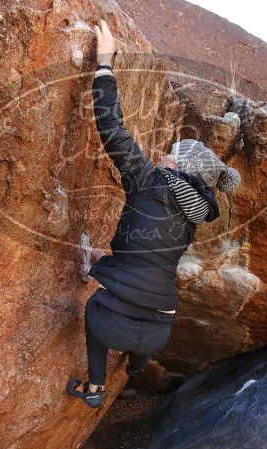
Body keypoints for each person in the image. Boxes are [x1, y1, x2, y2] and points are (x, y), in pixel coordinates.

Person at [67, 20, 241, 408]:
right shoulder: (195, 215)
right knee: (140, 307)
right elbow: (147, 258)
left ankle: (94, 389)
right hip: (162, 326)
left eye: (172, 152)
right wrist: (108, 262)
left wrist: (105, 63)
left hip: (114, 323)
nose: (163, 152)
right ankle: (135, 367)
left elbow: (112, 127)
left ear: (178, 167)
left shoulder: (149, 179)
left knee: (96, 306)